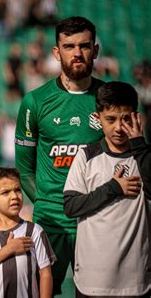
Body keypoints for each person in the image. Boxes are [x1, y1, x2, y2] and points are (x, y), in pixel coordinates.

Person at [14, 16, 104, 296]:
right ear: (56, 52)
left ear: (95, 50)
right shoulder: (35, 102)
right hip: (51, 221)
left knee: (95, 293)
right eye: (68, 46)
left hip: (97, 218)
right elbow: (24, 169)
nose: (77, 53)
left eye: (84, 46)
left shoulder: (109, 99)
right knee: (42, 293)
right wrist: (45, 202)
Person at [63, 82, 150, 297]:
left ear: (136, 118)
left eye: (126, 119)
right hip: (92, 283)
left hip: (137, 283)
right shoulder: (86, 156)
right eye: (111, 119)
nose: (119, 127)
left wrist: (139, 144)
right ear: (98, 118)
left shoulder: (145, 157)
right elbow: (71, 206)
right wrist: (113, 188)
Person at [0, 167, 56, 297]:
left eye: (17, 190)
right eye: (5, 192)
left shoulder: (34, 231)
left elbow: (45, 273)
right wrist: (8, 249)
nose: (14, 196)